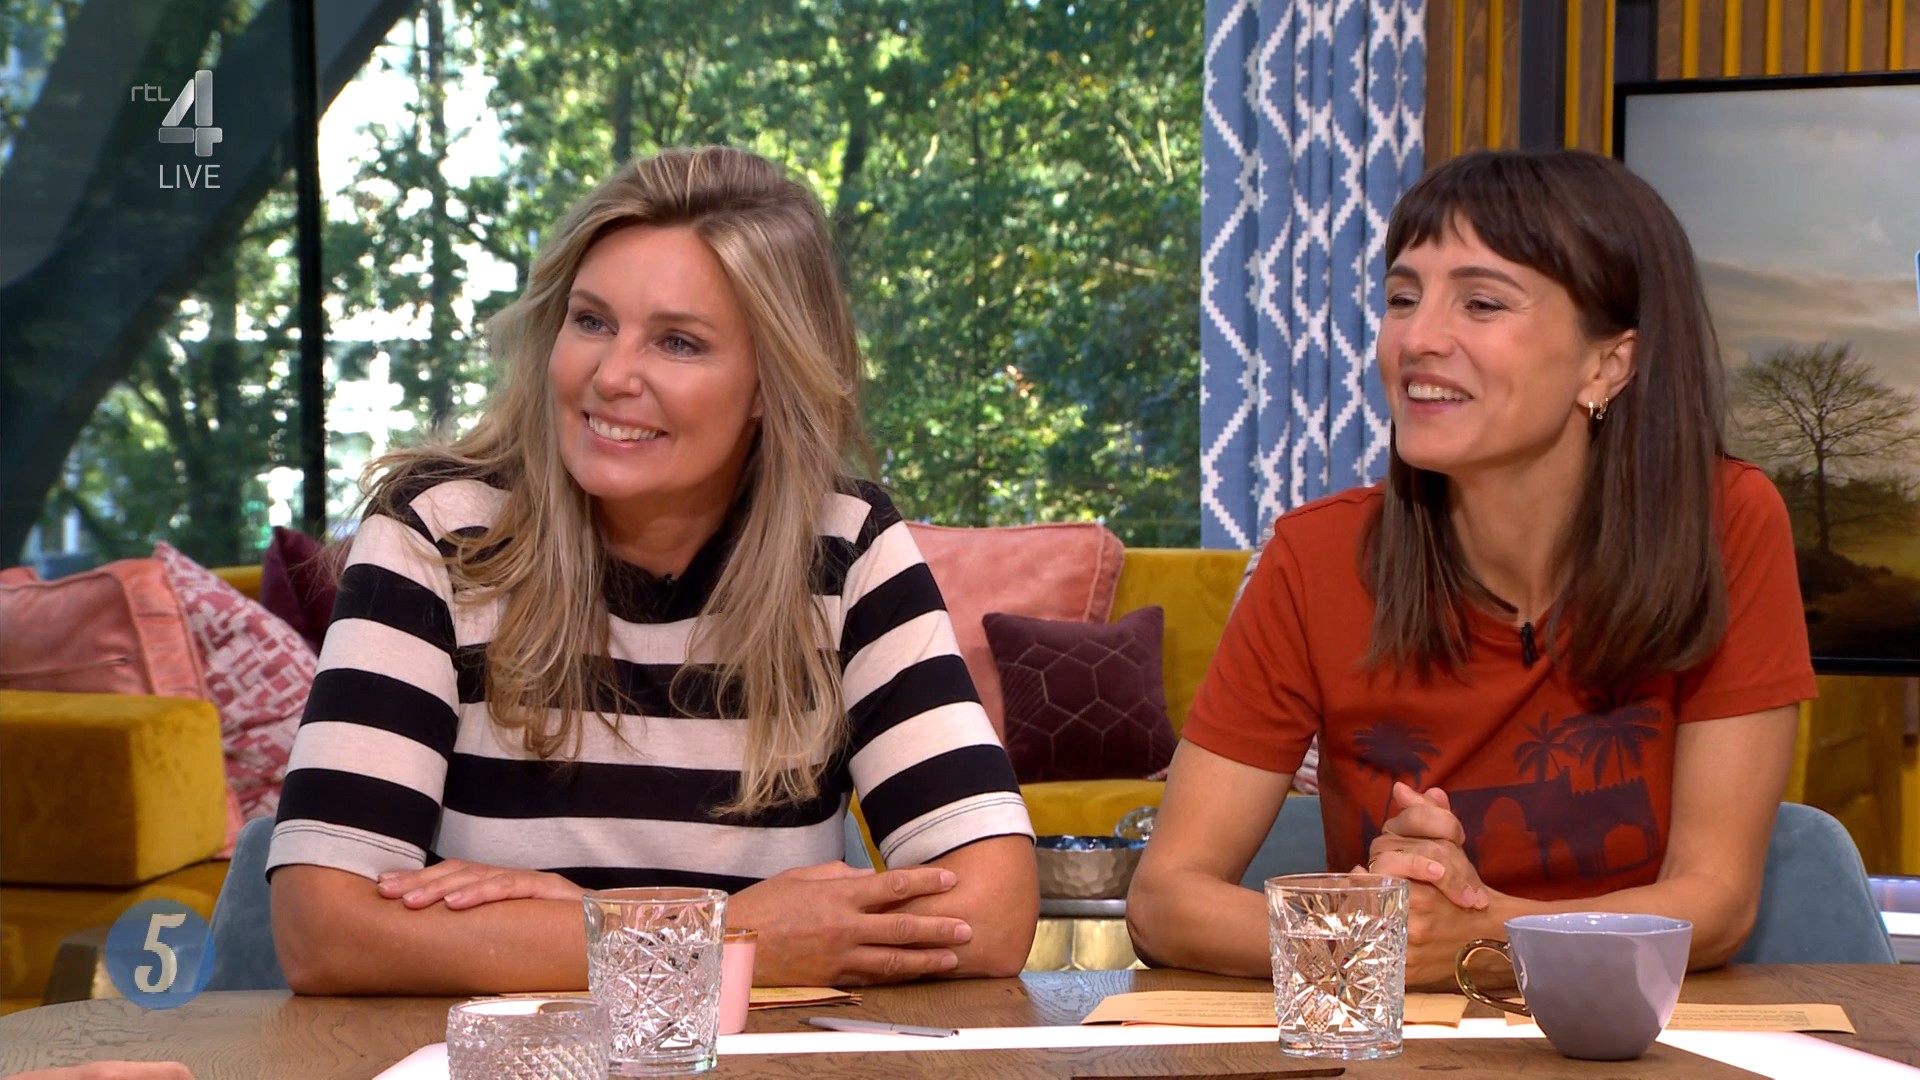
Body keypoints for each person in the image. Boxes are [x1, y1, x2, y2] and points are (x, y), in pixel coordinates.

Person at [268, 146, 1038, 995]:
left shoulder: (845, 542)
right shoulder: (439, 531)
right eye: (592, 321)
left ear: (767, 383)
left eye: (678, 342)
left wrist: (592, 924)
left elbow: (993, 913)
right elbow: (322, 930)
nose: (610, 376)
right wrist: (731, 938)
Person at [1127, 149, 1813, 987]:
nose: (1418, 339)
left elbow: (1717, 903)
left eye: (1481, 303)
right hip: (1399, 1041)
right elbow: (1165, 902)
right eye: (1401, 299)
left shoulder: (1727, 524)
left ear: (1606, 365)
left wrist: (1476, 934)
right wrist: (1382, 932)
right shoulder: (1314, 557)